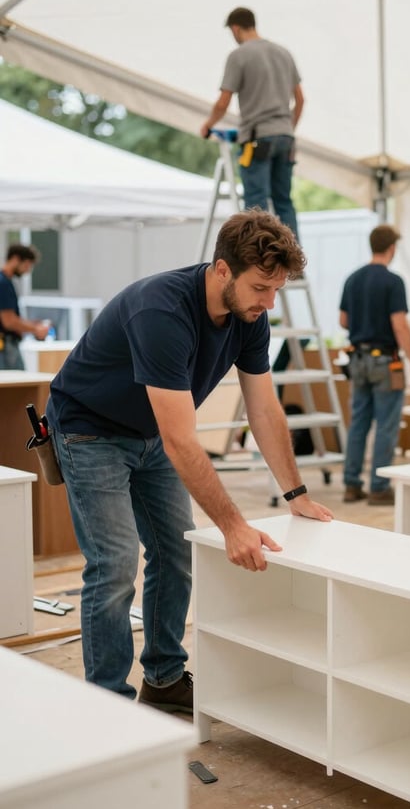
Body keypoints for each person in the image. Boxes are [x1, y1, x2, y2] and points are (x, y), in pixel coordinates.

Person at [46, 210, 333, 712]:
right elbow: (182, 441)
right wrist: (232, 525)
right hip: (89, 430)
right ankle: (105, 705)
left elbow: (264, 409)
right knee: (114, 565)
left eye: (276, 291)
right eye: (261, 287)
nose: (268, 303)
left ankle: (164, 679)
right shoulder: (160, 312)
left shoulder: (249, 318)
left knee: (175, 553)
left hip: (151, 432)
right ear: (223, 269)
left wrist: (297, 493)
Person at [201, 6, 303, 239]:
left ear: (235, 28)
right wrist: (287, 128)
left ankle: (260, 261)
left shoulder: (239, 56)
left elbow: (223, 101)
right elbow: (300, 99)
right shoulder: (283, 53)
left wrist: (208, 125)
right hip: (286, 138)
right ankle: (294, 264)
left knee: (256, 206)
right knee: (284, 201)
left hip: (257, 139)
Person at [339, 225, 410, 505]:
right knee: (386, 425)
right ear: (391, 248)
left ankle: (351, 484)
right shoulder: (393, 281)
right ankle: (379, 487)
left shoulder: (352, 279)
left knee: (359, 423)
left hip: (358, 360)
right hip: (386, 361)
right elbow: (399, 325)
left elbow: (343, 321)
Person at [0, 244, 51, 369]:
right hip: (6, 347)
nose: (28, 270)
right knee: (16, 386)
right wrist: (36, 329)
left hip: (8, 345)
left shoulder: (6, 282)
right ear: (16, 259)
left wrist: (31, 324)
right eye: (27, 264)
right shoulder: (3, 283)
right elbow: (9, 322)